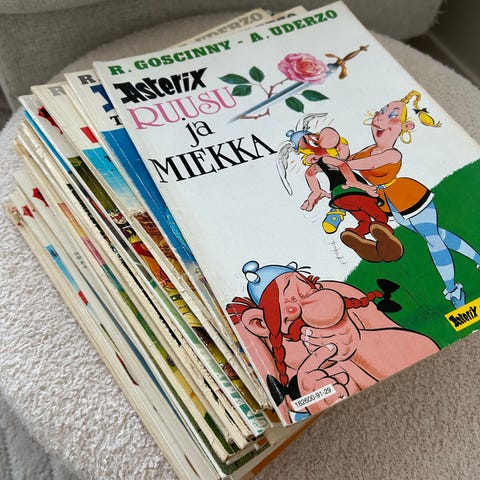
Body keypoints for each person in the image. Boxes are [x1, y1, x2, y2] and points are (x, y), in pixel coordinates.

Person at [226, 260, 438, 423]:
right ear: (260, 323)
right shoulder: (263, 343)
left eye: (309, 292)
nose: (309, 303)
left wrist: (357, 344)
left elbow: (423, 351)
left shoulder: (339, 298)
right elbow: (289, 407)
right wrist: (315, 394)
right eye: (292, 301)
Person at [324, 90, 480, 308]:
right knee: (437, 235)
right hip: (391, 205)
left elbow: (362, 164)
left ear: (406, 126)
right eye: (381, 112)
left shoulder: (392, 154)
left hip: (411, 199)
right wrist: (337, 150)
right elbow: (344, 162)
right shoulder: (368, 150)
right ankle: (478, 260)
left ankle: (453, 290)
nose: (381, 118)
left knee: (433, 239)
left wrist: (341, 161)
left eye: (392, 116)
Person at [294, 127, 403, 262]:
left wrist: (316, 192)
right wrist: (357, 184)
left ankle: (356, 234)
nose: (314, 140)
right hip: (354, 192)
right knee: (379, 216)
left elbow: (309, 174)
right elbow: (342, 164)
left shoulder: (319, 163)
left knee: (364, 221)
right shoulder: (327, 159)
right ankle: (389, 246)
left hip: (339, 198)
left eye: (313, 137)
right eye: (308, 141)